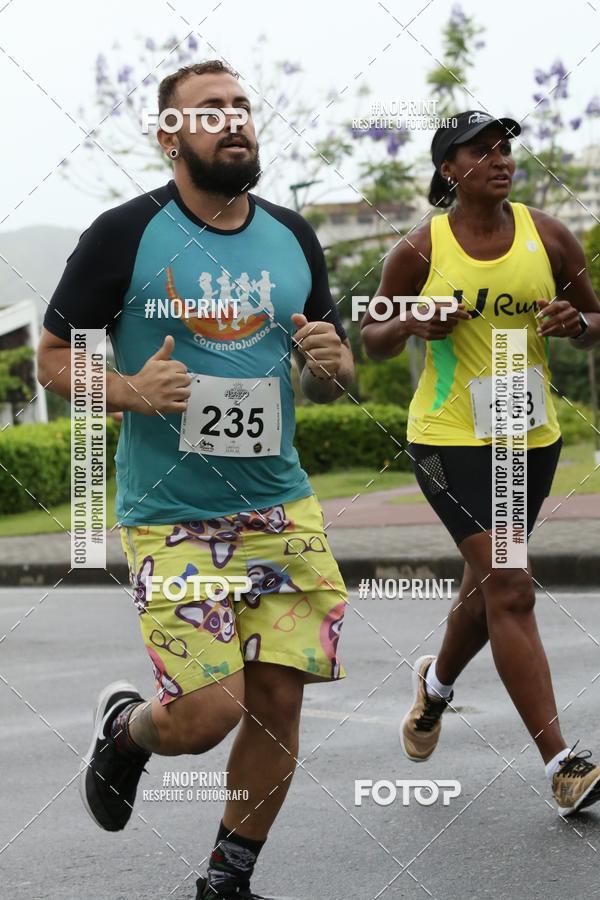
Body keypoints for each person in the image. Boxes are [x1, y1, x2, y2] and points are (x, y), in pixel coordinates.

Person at [37, 60, 354, 899]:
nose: (234, 119)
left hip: (281, 508)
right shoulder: (124, 233)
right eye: (211, 110)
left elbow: (330, 360)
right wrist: (133, 390)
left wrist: (330, 363)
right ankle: (128, 733)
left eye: (242, 107)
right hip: (171, 512)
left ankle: (226, 879)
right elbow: (52, 358)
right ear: (170, 134)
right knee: (210, 715)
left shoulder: (292, 235)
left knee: (279, 705)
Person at [360, 110, 600, 817]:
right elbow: (370, 335)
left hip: (529, 438)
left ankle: (433, 688)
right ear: (448, 170)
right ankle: (563, 764)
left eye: (505, 149)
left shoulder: (549, 236)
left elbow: (598, 322)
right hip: (447, 440)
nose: (500, 160)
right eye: (481, 151)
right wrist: (410, 321)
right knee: (512, 582)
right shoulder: (418, 248)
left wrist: (578, 324)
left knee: (490, 583)